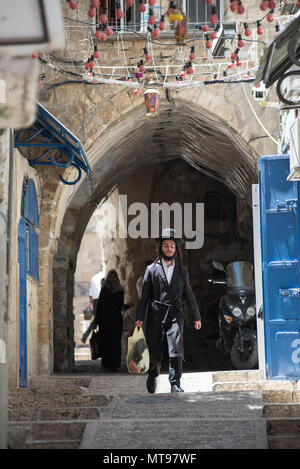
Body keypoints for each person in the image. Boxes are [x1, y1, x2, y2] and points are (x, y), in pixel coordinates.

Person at [135, 228, 201, 393]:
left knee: (175, 349)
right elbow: (144, 297)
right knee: (155, 348)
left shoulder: (182, 271)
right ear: (161, 247)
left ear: (175, 249)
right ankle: (152, 374)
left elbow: (189, 295)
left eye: (172, 245)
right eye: (166, 245)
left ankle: (175, 383)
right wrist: (139, 317)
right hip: (156, 314)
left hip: (175, 314)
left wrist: (196, 316)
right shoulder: (151, 270)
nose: (169, 248)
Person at [94, 269, 132, 371]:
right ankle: (106, 364)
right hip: (105, 321)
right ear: (108, 277)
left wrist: (128, 306)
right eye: (111, 276)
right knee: (106, 342)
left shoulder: (119, 290)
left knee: (115, 343)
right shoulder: (104, 290)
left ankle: (115, 365)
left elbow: (120, 306)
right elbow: (100, 306)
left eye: (114, 276)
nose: (112, 278)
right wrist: (96, 321)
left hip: (115, 321)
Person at [81, 267, 105, 343]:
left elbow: (90, 294)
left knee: (97, 319)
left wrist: (91, 303)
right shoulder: (104, 276)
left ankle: (87, 335)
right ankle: (90, 336)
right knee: (99, 319)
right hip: (103, 300)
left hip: (95, 301)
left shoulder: (94, 278)